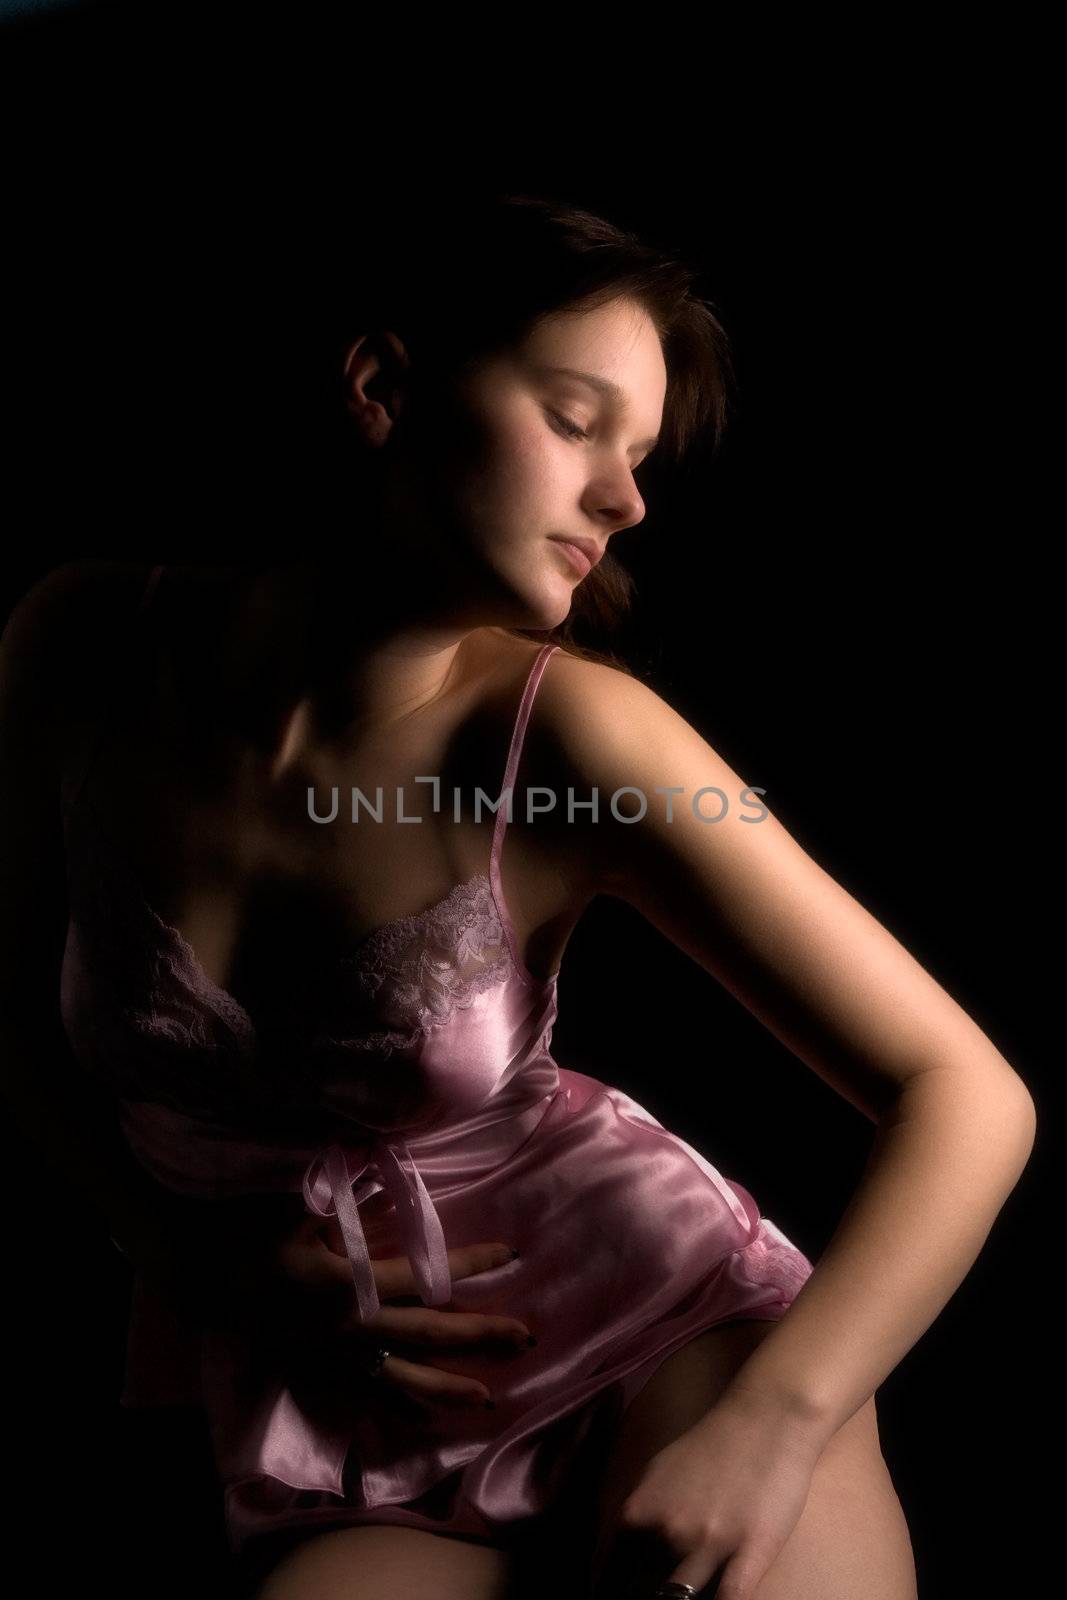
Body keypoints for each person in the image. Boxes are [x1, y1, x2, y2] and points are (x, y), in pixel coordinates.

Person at [0, 194, 1035, 1600]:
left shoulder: (581, 744)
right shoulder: (80, 647)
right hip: (349, 1406)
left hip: (656, 1332)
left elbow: (966, 1090)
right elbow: (13, 1013)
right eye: (573, 418)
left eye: (643, 454)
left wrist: (771, 1427)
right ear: (382, 386)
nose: (626, 499)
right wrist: (194, 1264)